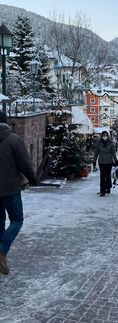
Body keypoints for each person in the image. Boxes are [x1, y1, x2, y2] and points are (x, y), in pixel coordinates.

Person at [0, 111, 38, 275]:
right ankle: (1, 250)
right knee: (17, 219)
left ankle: (2, 257)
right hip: (10, 188)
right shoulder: (14, 139)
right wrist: (33, 179)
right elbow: (25, 163)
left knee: (0, 221)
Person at [93, 131, 117, 197]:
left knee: (108, 176)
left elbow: (113, 152)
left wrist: (116, 161)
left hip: (109, 162)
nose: (105, 136)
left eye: (106, 135)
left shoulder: (110, 143)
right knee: (102, 176)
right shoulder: (98, 143)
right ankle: (102, 191)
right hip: (101, 162)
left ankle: (108, 188)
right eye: (103, 135)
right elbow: (96, 153)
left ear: (108, 136)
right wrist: (94, 161)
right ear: (101, 136)